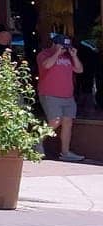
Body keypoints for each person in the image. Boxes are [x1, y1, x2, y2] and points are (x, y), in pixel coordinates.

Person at [37, 33, 86, 162]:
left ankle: (65, 152)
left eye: (67, 46)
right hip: (50, 94)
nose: (64, 49)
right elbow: (46, 65)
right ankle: (36, 142)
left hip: (67, 96)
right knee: (55, 121)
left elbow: (79, 70)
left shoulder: (69, 57)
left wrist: (74, 56)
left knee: (67, 123)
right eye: (62, 46)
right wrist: (57, 53)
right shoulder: (44, 54)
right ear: (54, 44)